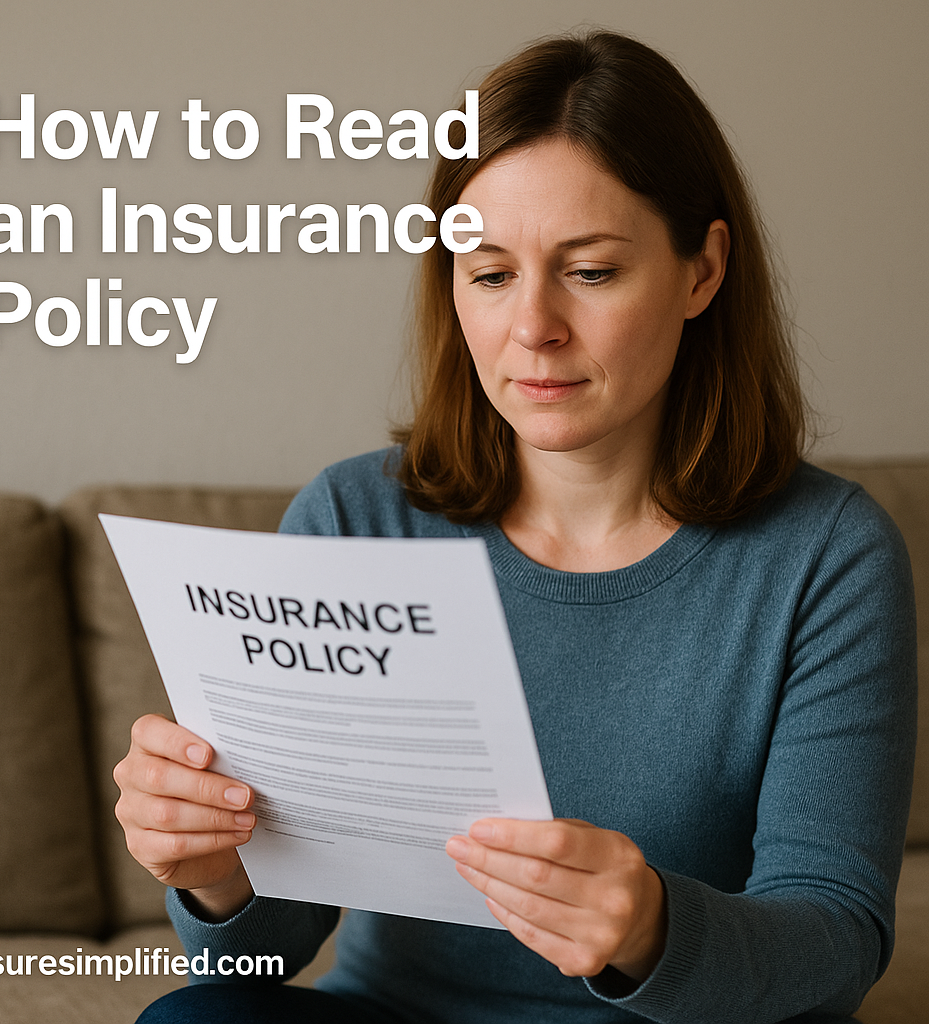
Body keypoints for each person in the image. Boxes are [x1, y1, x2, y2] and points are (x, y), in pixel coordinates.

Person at [114, 31, 917, 1024]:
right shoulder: (354, 520)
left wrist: (654, 929)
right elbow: (259, 954)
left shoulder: (825, 556)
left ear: (701, 270)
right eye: (489, 273)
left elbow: (835, 941)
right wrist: (215, 876)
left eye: (588, 272)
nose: (532, 326)